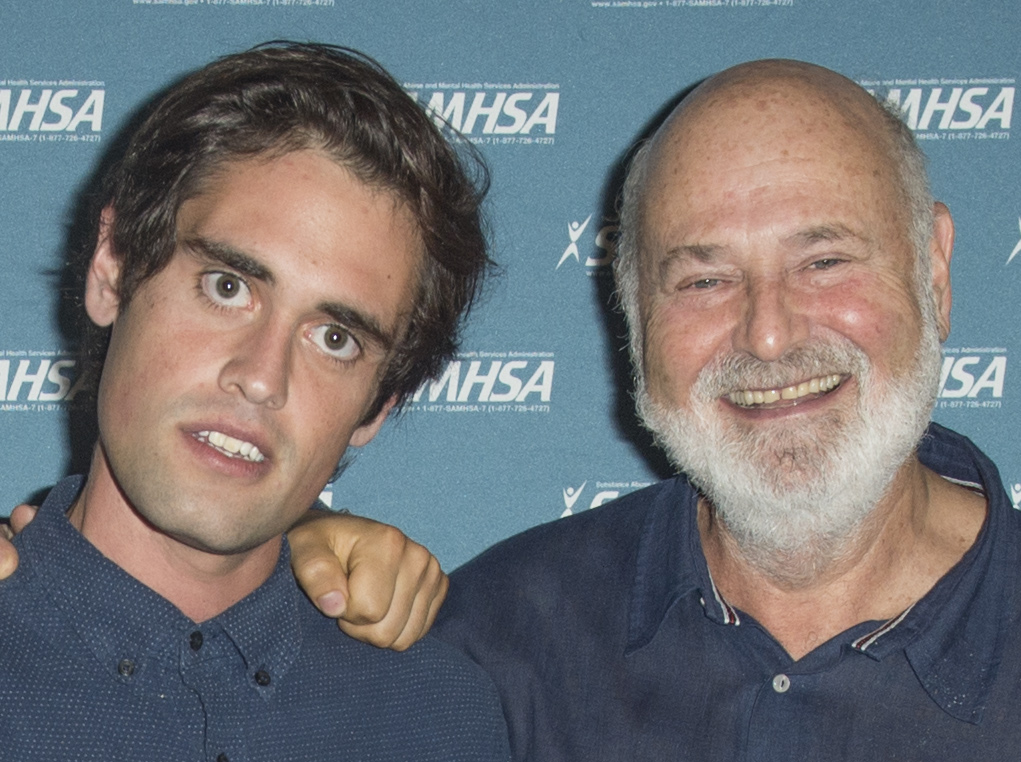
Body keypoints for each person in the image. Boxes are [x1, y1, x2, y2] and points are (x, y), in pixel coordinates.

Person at [432, 60, 1021, 759]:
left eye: (824, 262)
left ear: (933, 272)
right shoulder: (491, 647)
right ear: (634, 314)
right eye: (705, 280)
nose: (768, 335)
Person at [0, 42, 509, 761]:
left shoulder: (439, 719)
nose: (263, 376)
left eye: (334, 338)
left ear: (379, 405)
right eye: (228, 287)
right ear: (112, 270)